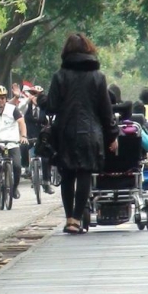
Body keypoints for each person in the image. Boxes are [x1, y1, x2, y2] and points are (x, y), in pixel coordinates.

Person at [39, 33, 119, 234]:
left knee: (67, 176)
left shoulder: (60, 76)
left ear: (66, 52)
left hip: (65, 132)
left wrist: (40, 99)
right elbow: (105, 110)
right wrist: (112, 136)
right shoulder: (98, 77)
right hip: (91, 133)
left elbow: (52, 107)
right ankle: (76, 217)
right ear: (88, 50)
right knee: (84, 173)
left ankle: (69, 219)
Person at [0, 85, 29, 200]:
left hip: (12, 142)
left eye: (2, 98)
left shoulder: (13, 109)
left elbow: (21, 122)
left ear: (5, 98)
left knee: (17, 166)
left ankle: (15, 187)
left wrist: (23, 136)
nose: (0, 100)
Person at [21, 85, 54, 194]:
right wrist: (27, 100)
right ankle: (25, 168)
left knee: (45, 158)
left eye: (38, 95)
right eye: (33, 94)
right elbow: (18, 109)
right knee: (23, 146)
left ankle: (46, 182)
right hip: (29, 136)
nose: (35, 97)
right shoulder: (26, 107)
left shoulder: (45, 108)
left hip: (42, 137)